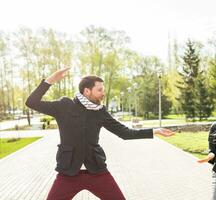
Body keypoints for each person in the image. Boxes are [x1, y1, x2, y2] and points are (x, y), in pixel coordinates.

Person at [25, 68, 175, 200]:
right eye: (100, 90)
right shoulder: (64, 106)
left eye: (103, 90)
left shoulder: (100, 112)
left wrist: (154, 131)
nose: (103, 93)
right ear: (87, 91)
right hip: (67, 173)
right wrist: (50, 81)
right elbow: (31, 102)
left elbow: (124, 133)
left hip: (96, 171)